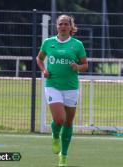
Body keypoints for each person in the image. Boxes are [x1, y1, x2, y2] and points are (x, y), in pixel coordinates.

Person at [36, 14, 88, 167]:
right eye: (60, 24)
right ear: (57, 26)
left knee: (68, 122)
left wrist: (77, 67)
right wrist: (44, 70)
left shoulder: (77, 45)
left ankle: (63, 156)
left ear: (71, 27)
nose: (63, 26)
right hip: (53, 85)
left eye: (66, 24)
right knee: (60, 119)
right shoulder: (48, 43)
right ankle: (54, 134)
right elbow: (39, 58)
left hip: (71, 87)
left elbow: (85, 65)